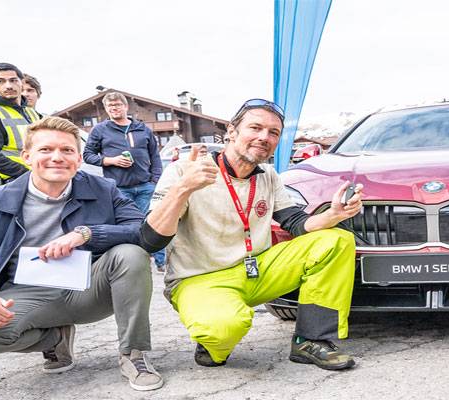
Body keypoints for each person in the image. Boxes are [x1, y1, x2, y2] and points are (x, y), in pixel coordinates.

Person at [0, 116, 163, 391]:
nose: (57, 157)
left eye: (67, 150)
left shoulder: (104, 188)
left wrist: (86, 234)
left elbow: (141, 229)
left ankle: (133, 354)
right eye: (46, 150)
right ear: (27, 156)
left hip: (87, 288)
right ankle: (54, 340)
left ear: (79, 159)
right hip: (27, 293)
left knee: (131, 254)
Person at [141, 98, 363, 370]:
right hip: (200, 278)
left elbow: (295, 223)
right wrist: (183, 189)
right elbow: (151, 239)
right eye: (255, 128)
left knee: (336, 239)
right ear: (231, 132)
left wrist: (335, 215)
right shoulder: (184, 170)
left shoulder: (269, 175)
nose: (264, 137)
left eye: (273, 133)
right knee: (223, 328)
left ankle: (311, 341)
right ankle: (213, 334)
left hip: (255, 270)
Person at [83, 92, 165, 272]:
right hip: (118, 188)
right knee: (124, 227)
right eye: (110, 106)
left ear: (126, 107)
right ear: (106, 109)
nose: (114, 109)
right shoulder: (100, 130)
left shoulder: (143, 129)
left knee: (153, 222)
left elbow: (155, 156)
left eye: (117, 105)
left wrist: (155, 180)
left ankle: (161, 263)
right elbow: (87, 155)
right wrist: (110, 161)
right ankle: (134, 262)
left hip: (145, 186)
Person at [0, 63, 42, 182]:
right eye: (1, 81)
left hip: (40, 177)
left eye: (13, 80)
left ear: (21, 82)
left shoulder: (32, 113)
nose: (8, 86)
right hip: (16, 181)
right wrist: (26, 174)